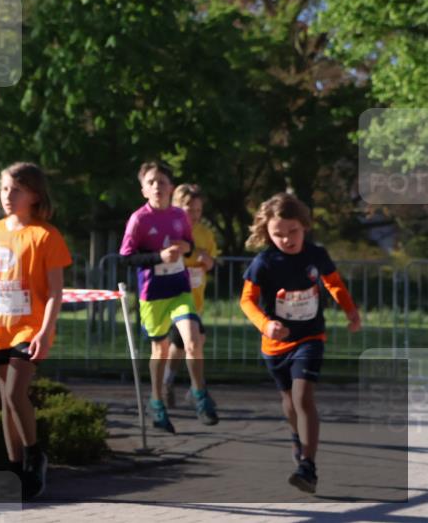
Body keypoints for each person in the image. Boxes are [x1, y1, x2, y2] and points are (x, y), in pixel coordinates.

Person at [0, 162, 72, 500]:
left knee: (14, 393)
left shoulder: (46, 235)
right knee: (5, 402)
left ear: (34, 194)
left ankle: (35, 455)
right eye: (5, 189)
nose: (8, 195)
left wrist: (45, 330)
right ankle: (14, 468)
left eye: (16, 190)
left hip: (30, 329)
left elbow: (55, 292)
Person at [240, 192, 361, 493]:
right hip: (276, 344)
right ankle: (296, 437)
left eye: (292, 231)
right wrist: (266, 325)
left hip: (310, 336)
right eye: (277, 234)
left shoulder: (315, 255)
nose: (286, 239)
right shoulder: (263, 261)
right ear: (266, 232)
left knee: (303, 396)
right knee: (289, 401)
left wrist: (351, 311)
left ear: (304, 226)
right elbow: (246, 300)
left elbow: (334, 283)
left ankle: (308, 466)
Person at [119, 162, 218, 433]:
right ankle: (156, 401)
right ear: (143, 190)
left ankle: (200, 395)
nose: (157, 187)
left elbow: (189, 247)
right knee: (160, 351)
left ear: (170, 187)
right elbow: (126, 258)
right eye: (151, 182)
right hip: (152, 295)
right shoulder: (139, 219)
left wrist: (187, 249)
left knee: (193, 340)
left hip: (179, 290)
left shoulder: (179, 216)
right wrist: (157, 258)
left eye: (162, 182)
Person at [163, 183, 220, 408]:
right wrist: (195, 255)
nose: (194, 214)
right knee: (196, 340)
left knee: (181, 344)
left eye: (198, 210)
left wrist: (209, 262)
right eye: (189, 208)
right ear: (177, 206)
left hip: (195, 298)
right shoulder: (170, 230)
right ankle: (198, 390)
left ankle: (167, 382)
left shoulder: (205, 233)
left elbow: (211, 260)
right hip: (171, 297)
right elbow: (171, 257)